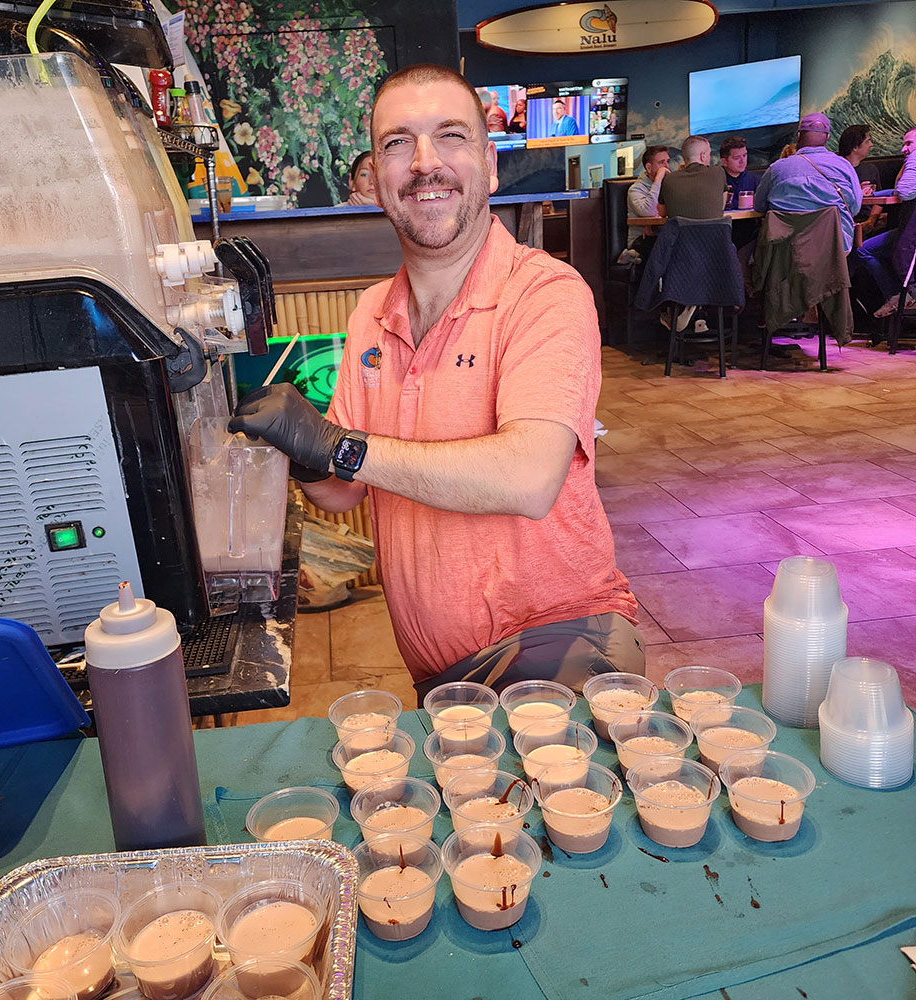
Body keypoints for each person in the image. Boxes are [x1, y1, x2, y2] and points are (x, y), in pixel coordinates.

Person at [229, 62, 642, 699]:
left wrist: (340, 445)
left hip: (558, 640)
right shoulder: (371, 311)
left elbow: (529, 478)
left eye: (451, 136)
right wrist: (300, 447)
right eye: (398, 143)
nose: (426, 163)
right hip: (441, 679)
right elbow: (344, 493)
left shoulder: (544, 293)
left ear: (490, 163)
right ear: (375, 177)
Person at [753, 112, 862, 252]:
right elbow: (855, 208)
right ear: (828, 137)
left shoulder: (776, 169)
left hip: (786, 252)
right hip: (832, 250)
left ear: (798, 136)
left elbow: (759, 206)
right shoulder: (844, 166)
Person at [854, 127, 916, 316]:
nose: (903, 149)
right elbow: (901, 191)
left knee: (902, 257)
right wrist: (873, 194)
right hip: (906, 227)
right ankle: (898, 296)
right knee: (864, 249)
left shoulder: (914, 160)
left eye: (908, 144)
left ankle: (911, 294)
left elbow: (905, 192)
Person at [657, 134, 727, 219]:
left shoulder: (669, 179)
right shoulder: (718, 172)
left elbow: (662, 212)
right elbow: (721, 207)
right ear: (703, 156)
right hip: (715, 231)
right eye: (709, 154)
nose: (709, 157)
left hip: (681, 232)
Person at [838, 124, 883, 237]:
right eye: (867, 141)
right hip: (841, 224)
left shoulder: (871, 169)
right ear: (855, 147)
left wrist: (871, 221)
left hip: (866, 223)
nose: (871, 145)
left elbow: (879, 200)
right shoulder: (836, 170)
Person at [626, 144, 670, 256]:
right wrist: (658, 180)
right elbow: (648, 211)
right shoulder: (635, 189)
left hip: (662, 234)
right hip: (641, 240)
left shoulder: (669, 186)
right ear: (649, 167)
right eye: (661, 163)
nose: (666, 167)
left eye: (667, 162)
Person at [719, 136, 758, 209]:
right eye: (737, 158)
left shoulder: (753, 180)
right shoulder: (717, 180)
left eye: (744, 155)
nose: (742, 161)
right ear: (724, 162)